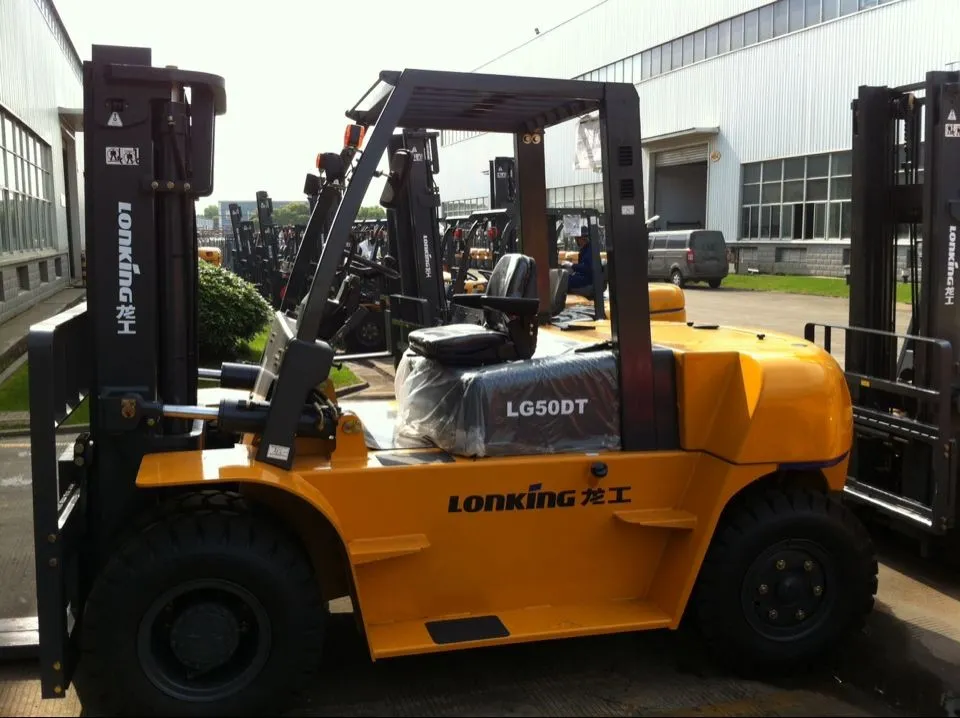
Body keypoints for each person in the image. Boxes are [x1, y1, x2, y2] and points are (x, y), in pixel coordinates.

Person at [564, 228, 594, 295]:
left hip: (588, 279)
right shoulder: (584, 250)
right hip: (584, 277)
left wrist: (572, 265)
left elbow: (587, 268)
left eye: (577, 238)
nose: (576, 240)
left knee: (563, 280)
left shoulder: (589, 251)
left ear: (582, 239)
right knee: (565, 277)